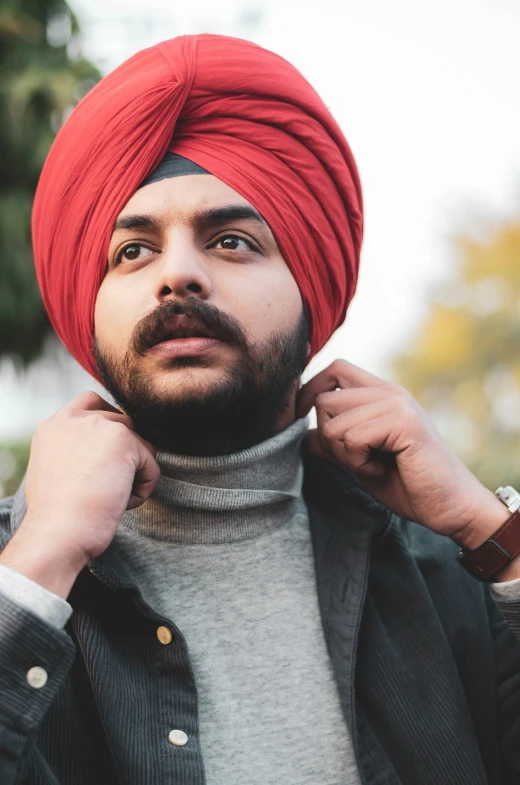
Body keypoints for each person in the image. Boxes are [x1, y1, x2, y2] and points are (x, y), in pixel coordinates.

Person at [0, 34, 519, 785]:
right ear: (89, 301)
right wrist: (43, 553)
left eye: (233, 240)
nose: (178, 274)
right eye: (133, 252)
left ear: (315, 286)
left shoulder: (447, 573)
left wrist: (490, 529)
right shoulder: (20, 568)